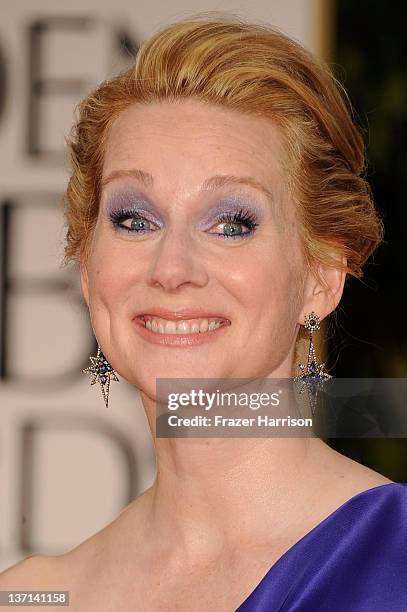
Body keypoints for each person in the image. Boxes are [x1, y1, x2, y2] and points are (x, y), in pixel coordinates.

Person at [1, 12, 406, 611]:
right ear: (88, 268)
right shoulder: (37, 597)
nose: (172, 268)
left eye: (232, 223)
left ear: (321, 277)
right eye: (134, 219)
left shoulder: (395, 557)